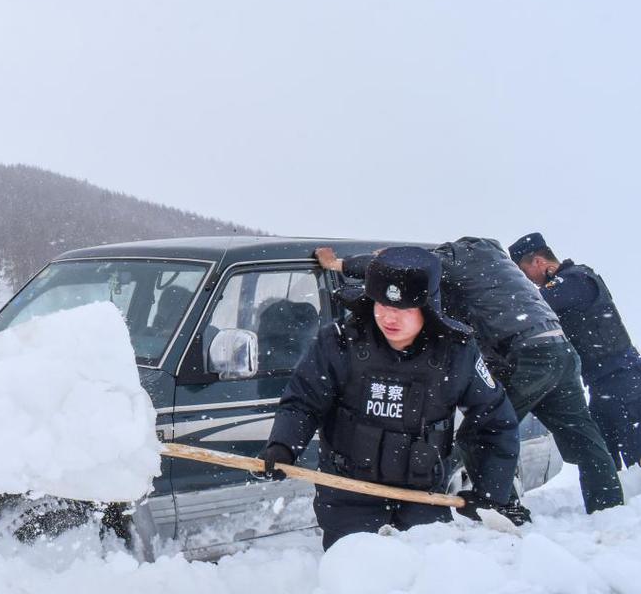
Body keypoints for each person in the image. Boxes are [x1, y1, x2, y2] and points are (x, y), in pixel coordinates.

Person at [317, 238, 625, 514]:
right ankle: (609, 510)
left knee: (482, 432)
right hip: (559, 350)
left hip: (528, 354)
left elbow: (400, 270)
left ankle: (495, 509)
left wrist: (340, 264)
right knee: (585, 438)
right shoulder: (493, 264)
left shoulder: (454, 256)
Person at [259, 247, 522, 550]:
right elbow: (303, 402)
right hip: (349, 498)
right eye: (381, 304)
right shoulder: (339, 342)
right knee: (359, 587)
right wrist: (282, 447)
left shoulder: (456, 352)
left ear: (427, 307)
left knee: (419, 591)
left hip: (424, 502)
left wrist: (489, 493)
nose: (389, 317)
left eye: (404, 309)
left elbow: (495, 421)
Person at [510, 232, 641, 468]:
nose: (528, 280)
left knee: (635, 458)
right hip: (602, 386)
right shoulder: (566, 284)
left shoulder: (576, 279)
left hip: (624, 383)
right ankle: (614, 505)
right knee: (601, 459)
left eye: (524, 271)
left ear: (538, 261)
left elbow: (533, 305)